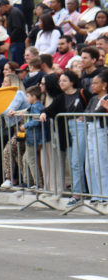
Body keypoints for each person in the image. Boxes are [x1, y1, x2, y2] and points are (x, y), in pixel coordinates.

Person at [40, 70, 92, 206]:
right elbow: (49, 109)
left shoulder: (82, 93)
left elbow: (93, 106)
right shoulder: (60, 98)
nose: (61, 83)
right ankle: (80, 191)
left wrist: (85, 116)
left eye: (64, 81)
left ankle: (77, 193)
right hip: (67, 132)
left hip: (81, 128)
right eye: (60, 81)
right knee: (74, 162)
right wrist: (44, 113)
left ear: (72, 82)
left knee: (77, 162)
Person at [85, 71, 108, 203]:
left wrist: (89, 114)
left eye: (96, 83)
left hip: (101, 131)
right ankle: (95, 194)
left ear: (104, 85)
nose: (92, 86)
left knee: (101, 163)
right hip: (91, 131)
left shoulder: (106, 98)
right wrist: (89, 114)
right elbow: (87, 112)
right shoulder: (94, 99)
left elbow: (95, 113)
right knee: (90, 164)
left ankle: (105, 193)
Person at [19, 86, 48, 188]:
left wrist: (25, 126)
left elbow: (37, 120)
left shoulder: (36, 107)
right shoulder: (36, 106)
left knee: (30, 159)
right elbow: (28, 112)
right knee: (25, 158)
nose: (26, 98)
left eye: (28, 96)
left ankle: (37, 182)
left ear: (34, 97)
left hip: (34, 137)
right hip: (34, 137)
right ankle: (27, 181)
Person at [0, 0, 27, 65]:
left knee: (18, 61)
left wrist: (10, 39)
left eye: (0, 7)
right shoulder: (10, 13)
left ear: (5, 5)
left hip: (18, 41)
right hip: (16, 41)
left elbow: (18, 28)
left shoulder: (14, 13)